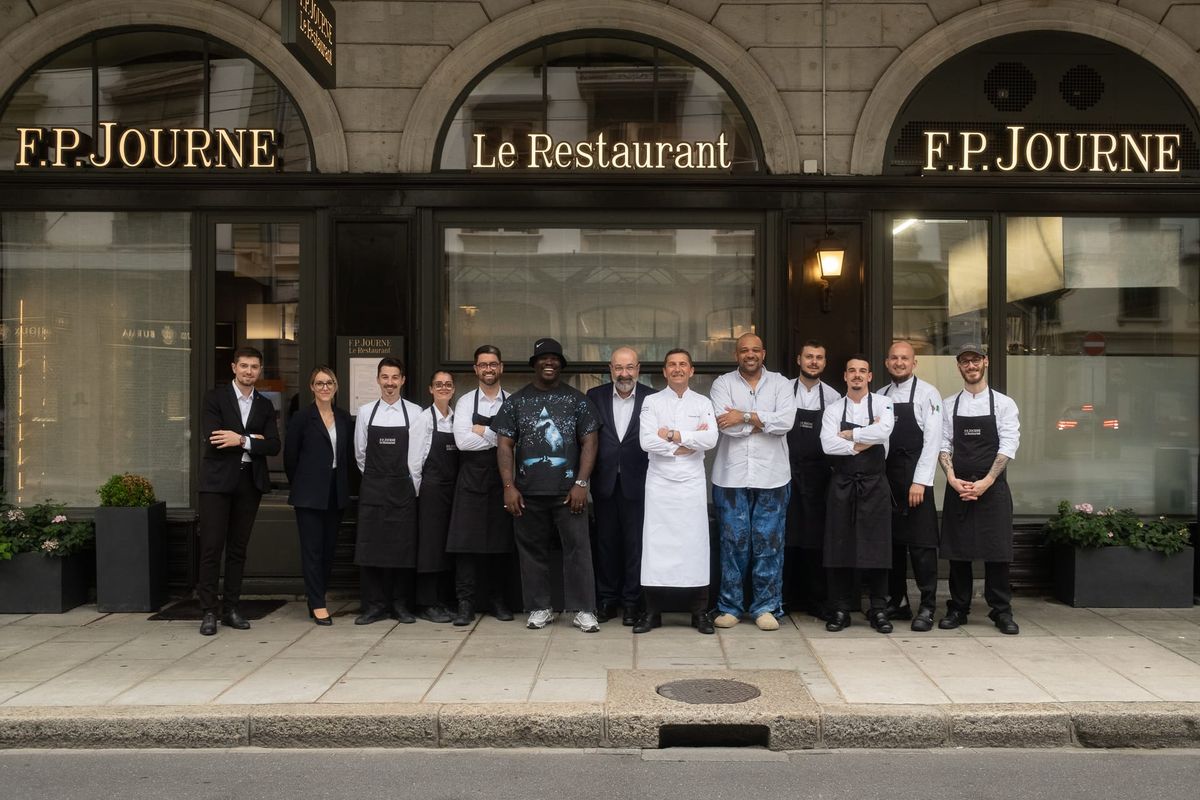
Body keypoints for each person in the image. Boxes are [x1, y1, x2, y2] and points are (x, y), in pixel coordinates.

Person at [493, 337, 601, 633]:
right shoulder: (516, 402)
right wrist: (508, 486)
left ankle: (583, 610)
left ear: (561, 364)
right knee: (532, 552)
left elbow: (590, 441)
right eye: (544, 358)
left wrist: (581, 482)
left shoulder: (578, 400)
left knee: (578, 550)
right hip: (527, 493)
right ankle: (540, 607)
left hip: (569, 493)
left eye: (555, 358)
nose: (549, 362)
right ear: (535, 364)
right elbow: (504, 445)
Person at [709, 332, 795, 631]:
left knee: (769, 543)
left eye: (755, 350)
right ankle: (730, 606)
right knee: (732, 543)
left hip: (773, 476)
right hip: (730, 477)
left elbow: (785, 423)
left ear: (764, 353)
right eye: (744, 350)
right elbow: (724, 427)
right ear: (737, 355)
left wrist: (743, 416)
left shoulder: (781, 384)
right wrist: (763, 422)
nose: (750, 355)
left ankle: (766, 607)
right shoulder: (722, 384)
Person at [197, 346, 281, 636]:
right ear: (233, 367)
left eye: (254, 367)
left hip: (249, 482)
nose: (249, 371)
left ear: (260, 370)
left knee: (238, 550)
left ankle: (231, 608)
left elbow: (273, 445)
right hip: (217, 484)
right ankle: (208, 610)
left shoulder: (265, 405)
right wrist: (251, 440)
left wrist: (241, 439)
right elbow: (214, 438)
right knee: (211, 547)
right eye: (244, 366)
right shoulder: (215, 398)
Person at [635, 349, 720, 635]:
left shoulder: (703, 401)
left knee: (694, 547)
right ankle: (652, 612)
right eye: (672, 364)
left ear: (692, 370)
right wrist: (683, 447)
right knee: (656, 548)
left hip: (692, 484)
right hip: (659, 483)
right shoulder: (651, 401)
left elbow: (710, 438)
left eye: (683, 364)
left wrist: (672, 435)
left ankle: (699, 613)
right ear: (664, 371)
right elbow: (646, 441)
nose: (678, 369)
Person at [938, 343, 1021, 635]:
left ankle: (1001, 611)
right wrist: (951, 476)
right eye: (965, 362)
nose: (970, 366)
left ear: (985, 362)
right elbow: (944, 444)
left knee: (997, 553)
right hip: (958, 484)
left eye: (975, 361)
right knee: (959, 553)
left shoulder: (1003, 404)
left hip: (993, 487)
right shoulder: (949, 405)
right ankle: (958, 609)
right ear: (959, 367)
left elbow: (1008, 444)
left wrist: (986, 481)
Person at [353, 357, 431, 625]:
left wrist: (406, 483)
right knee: (370, 548)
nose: (389, 383)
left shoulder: (416, 412)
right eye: (385, 377)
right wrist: (378, 478)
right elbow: (360, 455)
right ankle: (374, 606)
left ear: (402, 380)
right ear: (378, 380)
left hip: (403, 491)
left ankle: (400, 605)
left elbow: (419, 454)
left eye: (394, 377)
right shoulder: (365, 413)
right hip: (374, 490)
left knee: (402, 549)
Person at [820, 355, 895, 633]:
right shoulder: (832, 409)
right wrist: (865, 439)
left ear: (870, 376)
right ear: (845, 376)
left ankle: (878, 609)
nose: (857, 375)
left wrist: (849, 435)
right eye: (852, 371)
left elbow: (885, 430)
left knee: (878, 548)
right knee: (838, 547)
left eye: (862, 371)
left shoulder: (884, 403)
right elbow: (827, 445)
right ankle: (839, 608)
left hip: (875, 485)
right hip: (841, 485)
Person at [447, 345, 515, 626]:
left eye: (493, 364)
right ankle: (465, 603)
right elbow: (463, 442)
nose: (488, 369)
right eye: (483, 364)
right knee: (466, 546)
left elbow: (517, 442)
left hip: (502, 480)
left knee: (500, 544)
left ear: (501, 368)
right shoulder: (464, 402)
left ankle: (497, 600)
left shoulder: (512, 401)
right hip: (471, 480)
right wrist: (499, 435)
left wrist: (482, 430)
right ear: (476, 369)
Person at [585, 347, 653, 626]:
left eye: (629, 368)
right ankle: (607, 600)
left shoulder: (652, 397)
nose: (624, 374)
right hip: (604, 482)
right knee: (606, 544)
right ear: (610, 369)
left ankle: (632, 603)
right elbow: (587, 438)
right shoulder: (594, 396)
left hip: (640, 482)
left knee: (636, 545)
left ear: (638, 369)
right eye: (618, 368)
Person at [881, 341, 943, 632]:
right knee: (892, 545)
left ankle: (928, 605)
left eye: (904, 358)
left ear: (914, 363)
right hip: (888, 479)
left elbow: (933, 441)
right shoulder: (880, 395)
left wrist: (920, 481)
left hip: (916, 478)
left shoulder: (929, 394)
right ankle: (898, 602)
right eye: (894, 358)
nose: (899, 362)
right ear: (887, 362)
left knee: (921, 546)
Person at [284, 366, 354, 626]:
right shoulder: (302, 418)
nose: (325, 387)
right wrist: (303, 483)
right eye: (320, 383)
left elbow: (348, 456)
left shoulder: (344, 418)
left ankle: (316, 597)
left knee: (328, 550)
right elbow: (291, 458)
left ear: (336, 387)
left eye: (329, 383)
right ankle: (318, 603)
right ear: (312, 387)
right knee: (312, 551)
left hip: (335, 492)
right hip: (309, 494)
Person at [783, 339, 839, 620]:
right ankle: (785, 599)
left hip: (818, 476)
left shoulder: (832, 398)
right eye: (809, 357)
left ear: (825, 363)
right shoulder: (783, 391)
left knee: (815, 539)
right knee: (786, 536)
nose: (813, 362)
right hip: (785, 472)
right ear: (799, 360)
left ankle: (816, 600)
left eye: (819, 357)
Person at [415, 370, 459, 623]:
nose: (443, 388)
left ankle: (444, 600)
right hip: (430, 490)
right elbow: (414, 461)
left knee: (447, 546)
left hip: (452, 490)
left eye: (448, 384)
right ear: (431, 389)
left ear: (453, 390)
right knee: (430, 547)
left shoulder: (456, 419)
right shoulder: (424, 420)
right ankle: (427, 602)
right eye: (438, 384)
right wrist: (419, 494)